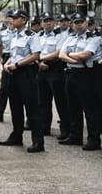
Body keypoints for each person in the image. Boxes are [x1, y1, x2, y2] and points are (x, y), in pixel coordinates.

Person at [0, 9, 44, 153]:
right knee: (15, 106)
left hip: (27, 73)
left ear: (24, 20)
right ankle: (16, 136)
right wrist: (8, 63)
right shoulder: (14, 36)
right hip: (14, 73)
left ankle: (38, 141)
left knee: (32, 108)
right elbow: (15, 54)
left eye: (16, 18)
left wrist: (18, 64)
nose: (13, 20)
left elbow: (36, 55)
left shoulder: (31, 35)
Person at [58, 13, 101, 150]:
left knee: (89, 108)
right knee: (73, 106)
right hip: (71, 74)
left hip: (86, 75)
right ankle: (75, 136)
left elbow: (85, 55)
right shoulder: (70, 38)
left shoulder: (94, 38)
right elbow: (61, 55)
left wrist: (70, 55)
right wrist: (73, 59)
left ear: (86, 23)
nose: (78, 24)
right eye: (76, 22)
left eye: (81, 22)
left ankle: (93, 139)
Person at [36, 12, 70, 140]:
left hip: (55, 69)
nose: (48, 23)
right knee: (43, 101)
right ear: (42, 23)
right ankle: (45, 128)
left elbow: (58, 52)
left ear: (54, 22)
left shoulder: (59, 35)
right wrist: (39, 63)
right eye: (45, 21)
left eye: (50, 20)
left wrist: (42, 59)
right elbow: (34, 51)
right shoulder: (38, 36)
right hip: (41, 70)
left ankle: (66, 130)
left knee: (61, 101)